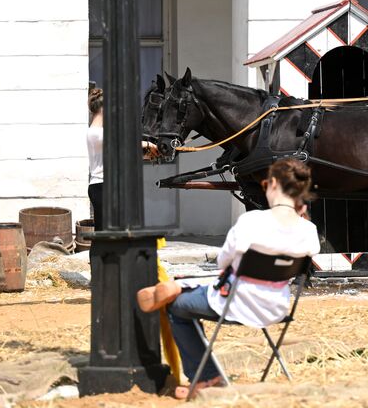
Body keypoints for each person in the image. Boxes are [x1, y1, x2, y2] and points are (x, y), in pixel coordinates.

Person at [135, 158, 320, 398]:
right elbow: (310, 253)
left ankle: (206, 376)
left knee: (177, 307)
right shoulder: (308, 230)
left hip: (236, 304)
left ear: (272, 184)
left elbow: (223, 261)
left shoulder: (252, 221)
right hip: (276, 308)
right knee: (205, 288)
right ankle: (178, 287)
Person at [86, 83, 104, 227]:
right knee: (105, 233)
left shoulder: (93, 131)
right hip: (101, 186)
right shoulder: (98, 133)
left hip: (98, 185)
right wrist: (147, 145)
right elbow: (124, 143)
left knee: (103, 232)